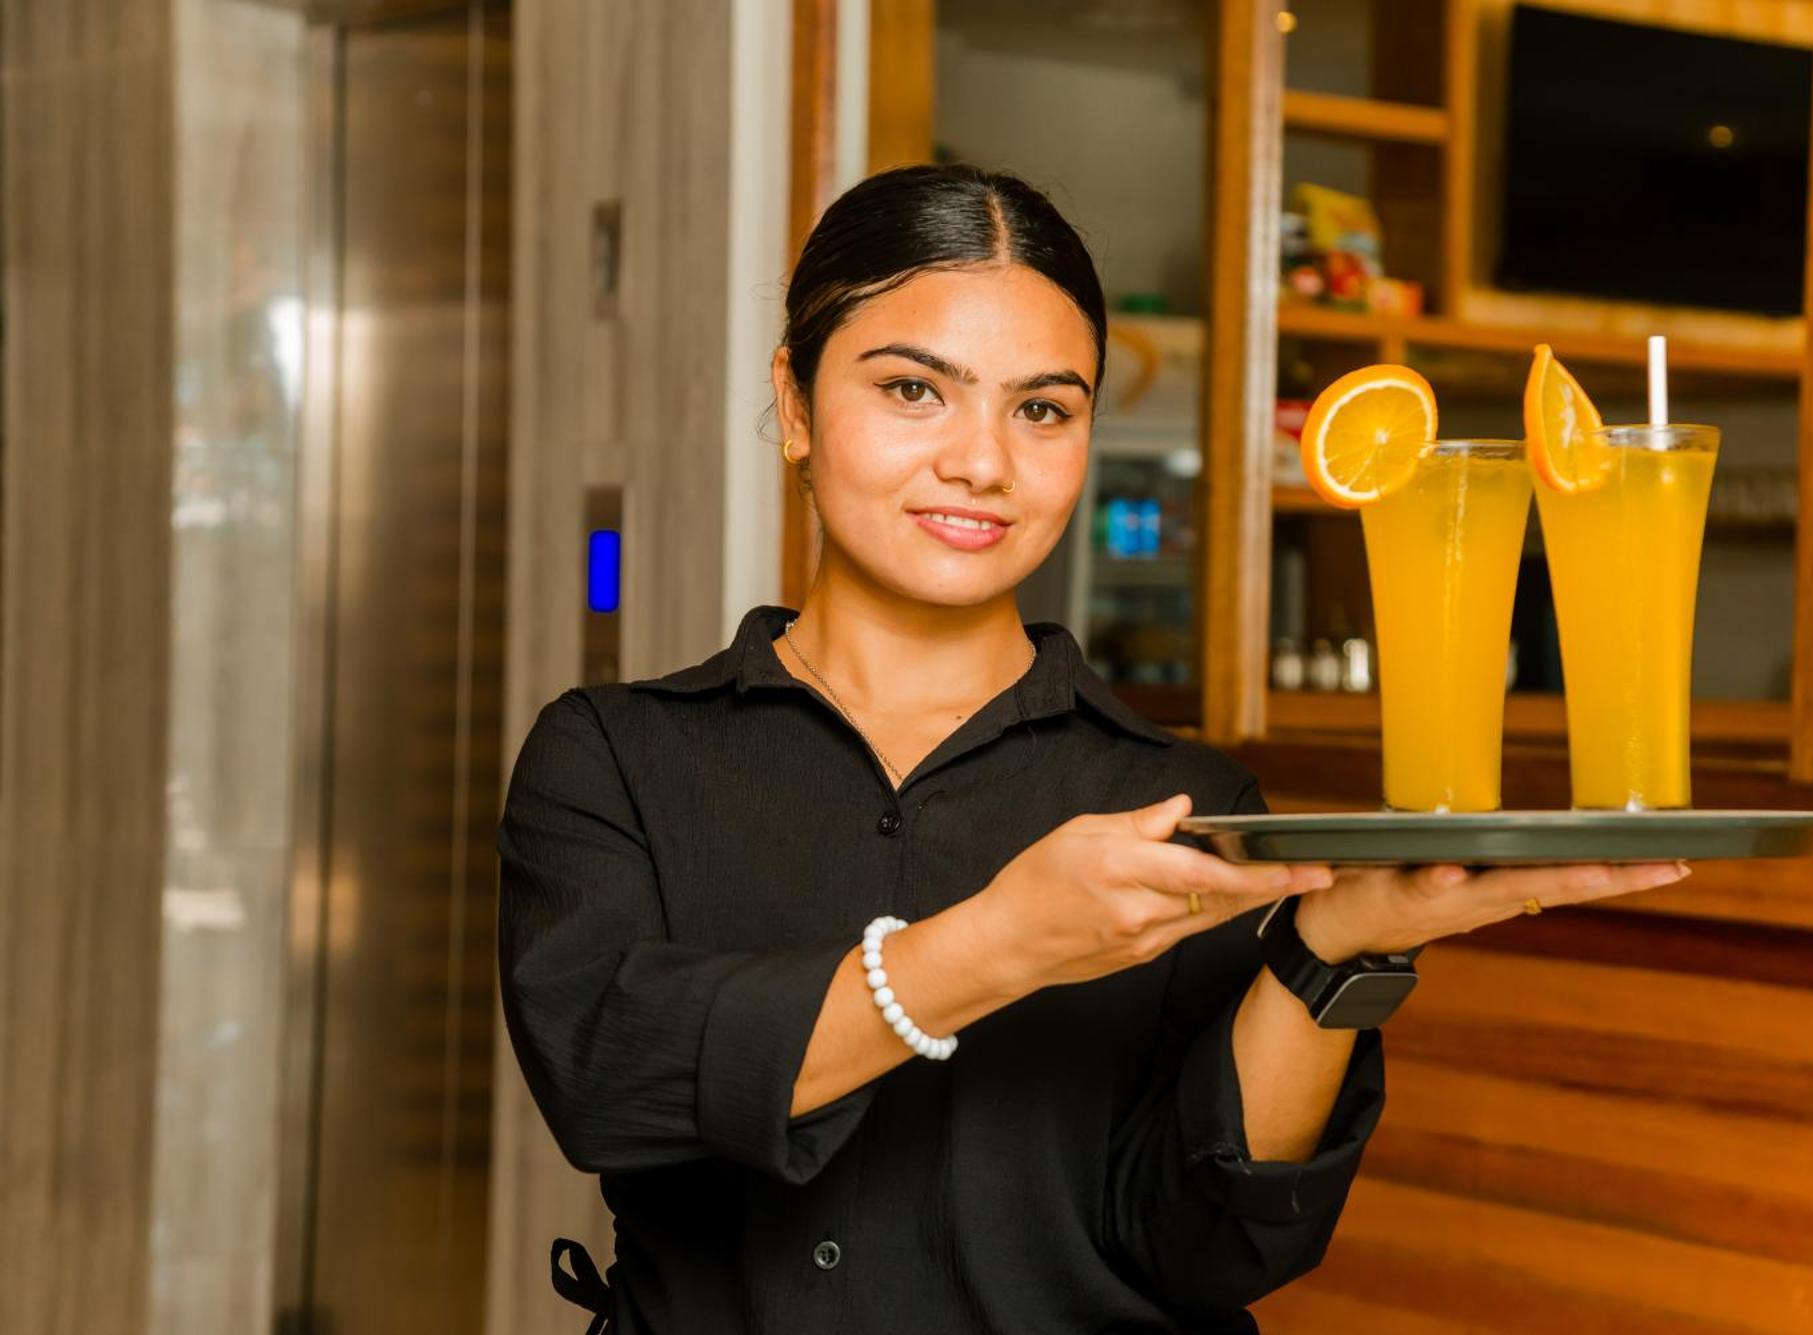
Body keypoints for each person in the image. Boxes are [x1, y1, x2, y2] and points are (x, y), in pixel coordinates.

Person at [495, 162, 1688, 1335]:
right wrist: (1003, 940)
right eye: (913, 390)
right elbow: (612, 1079)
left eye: (1041, 410)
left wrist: (1332, 952)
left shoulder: (1178, 805)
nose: (981, 462)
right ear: (796, 404)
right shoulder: (615, 759)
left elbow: (1201, 1247)